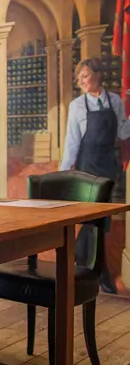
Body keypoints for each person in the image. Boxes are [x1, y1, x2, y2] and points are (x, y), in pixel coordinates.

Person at [61, 56, 130, 292]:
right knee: (94, 218)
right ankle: (99, 274)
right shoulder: (77, 106)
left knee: (101, 220)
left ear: (98, 75)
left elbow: (122, 131)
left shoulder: (115, 101)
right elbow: (72, 141)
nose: (81, 81)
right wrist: (63, 172)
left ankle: (83, 263)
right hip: (87, 167)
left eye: (85, 75)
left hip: (107, 166)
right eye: (79, 76)